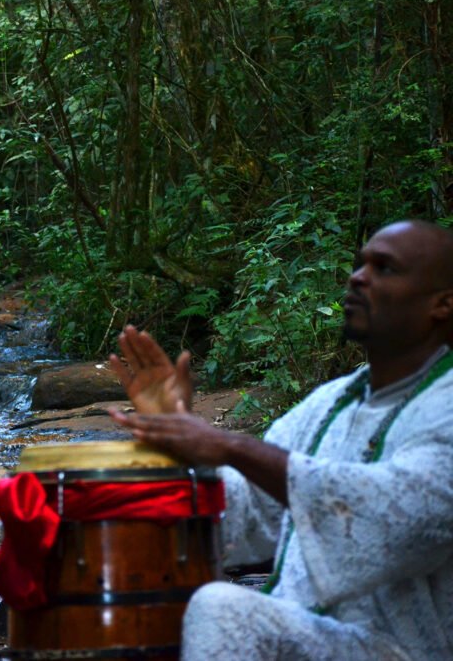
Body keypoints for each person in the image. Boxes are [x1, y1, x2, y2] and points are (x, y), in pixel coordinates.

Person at [107, 220, 453, 660]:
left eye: (384, 269)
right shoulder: (333, 402)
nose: (358, 276)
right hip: (309, 636)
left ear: (442, 305)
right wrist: (176, 431)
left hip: (406, 651)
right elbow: (247, 509)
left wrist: (228, 444)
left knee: (222, 609)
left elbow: (397, 522)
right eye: (360, 263)